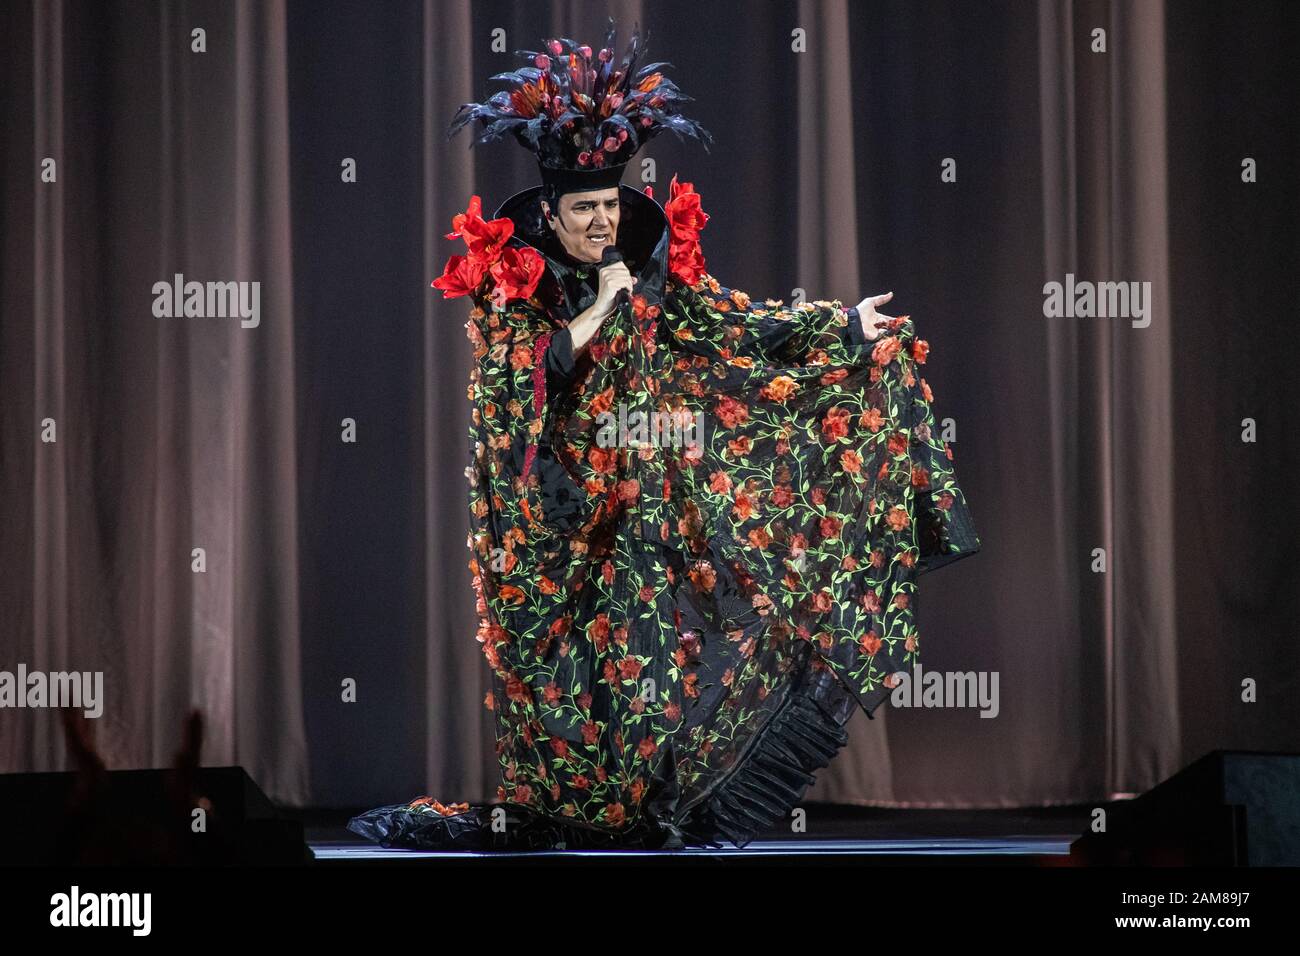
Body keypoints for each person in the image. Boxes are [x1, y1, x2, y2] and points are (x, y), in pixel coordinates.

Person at [348, 19, 980, 852]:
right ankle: (577, 811)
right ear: (551, 210)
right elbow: (518, 384)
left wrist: (841, 330)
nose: (604, 221)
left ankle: (652, 809)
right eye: (586, 209)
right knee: (568, 688)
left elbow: (731, 324)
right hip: (548, 525)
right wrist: (599, 305)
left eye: (610, 203)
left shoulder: (647, 270)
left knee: (649, 669)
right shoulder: (515, 284)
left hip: (638, 504)